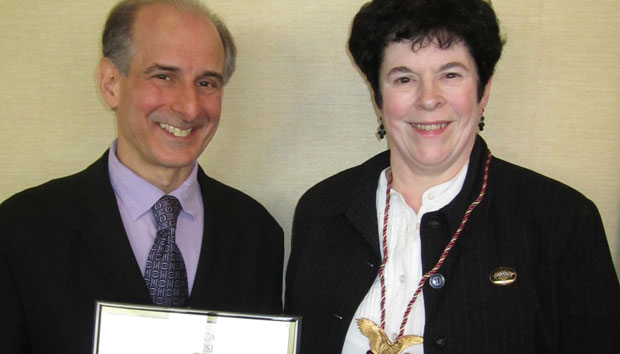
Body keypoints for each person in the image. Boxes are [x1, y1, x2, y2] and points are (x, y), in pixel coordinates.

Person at [284, 0, 620, 353]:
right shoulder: (322, 209)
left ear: (483, 90)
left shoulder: (562, 221)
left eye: (450, 75)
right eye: (404, 78)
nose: (429, 99)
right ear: (378, 97)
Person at [0, 1, 283, 353]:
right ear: (111, 83)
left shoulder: (258, 235)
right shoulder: (20, 231)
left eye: (207, 82)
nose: (190, 107)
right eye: (164, 76)